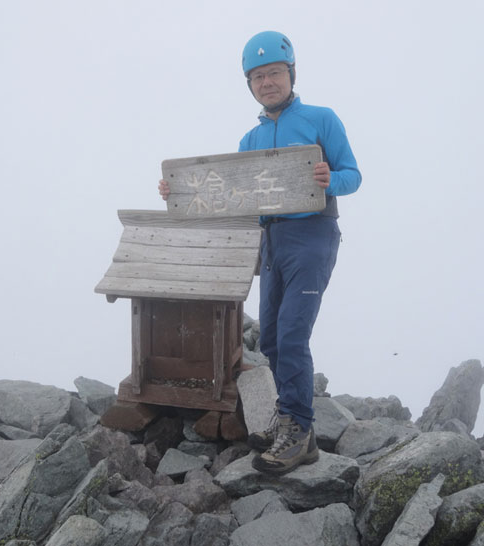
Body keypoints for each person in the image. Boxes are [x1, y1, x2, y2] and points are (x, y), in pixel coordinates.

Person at [159, 31, 361, 475]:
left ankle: (299, 432)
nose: (267, 82)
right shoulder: (250, 139)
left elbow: (354, 174)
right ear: (249, 84)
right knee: (269, 337)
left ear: (291, 74)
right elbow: (231, 196)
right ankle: (283, 416)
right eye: (257, 76)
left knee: (292, 334)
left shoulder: (321, 119)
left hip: (313, 234)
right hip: (270, 241)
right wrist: (180, 192)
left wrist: (333, 179)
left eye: (274, 73)